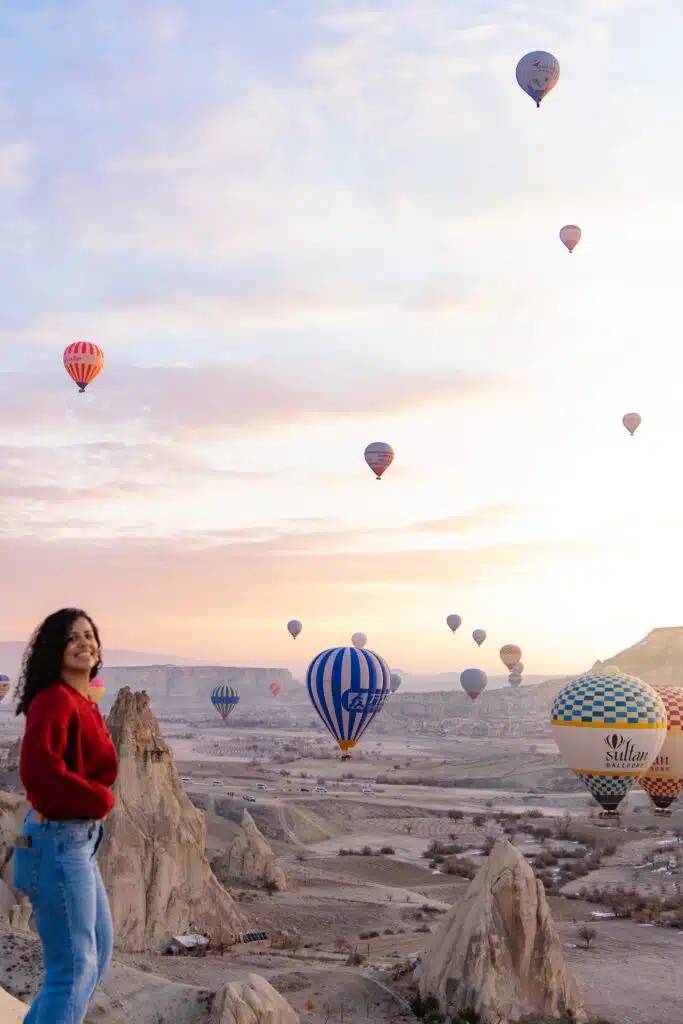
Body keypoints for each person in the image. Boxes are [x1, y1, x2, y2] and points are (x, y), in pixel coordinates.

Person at [12, 608, 119, 1024]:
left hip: (78, 843)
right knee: (73, 969)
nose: (83, 644)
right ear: (55, 649)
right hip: (57, 841)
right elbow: (38, 773)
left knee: (98, 952)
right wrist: (99, 800)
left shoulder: (82, 700)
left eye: (89, 636)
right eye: (72, 638)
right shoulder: (54, 699)